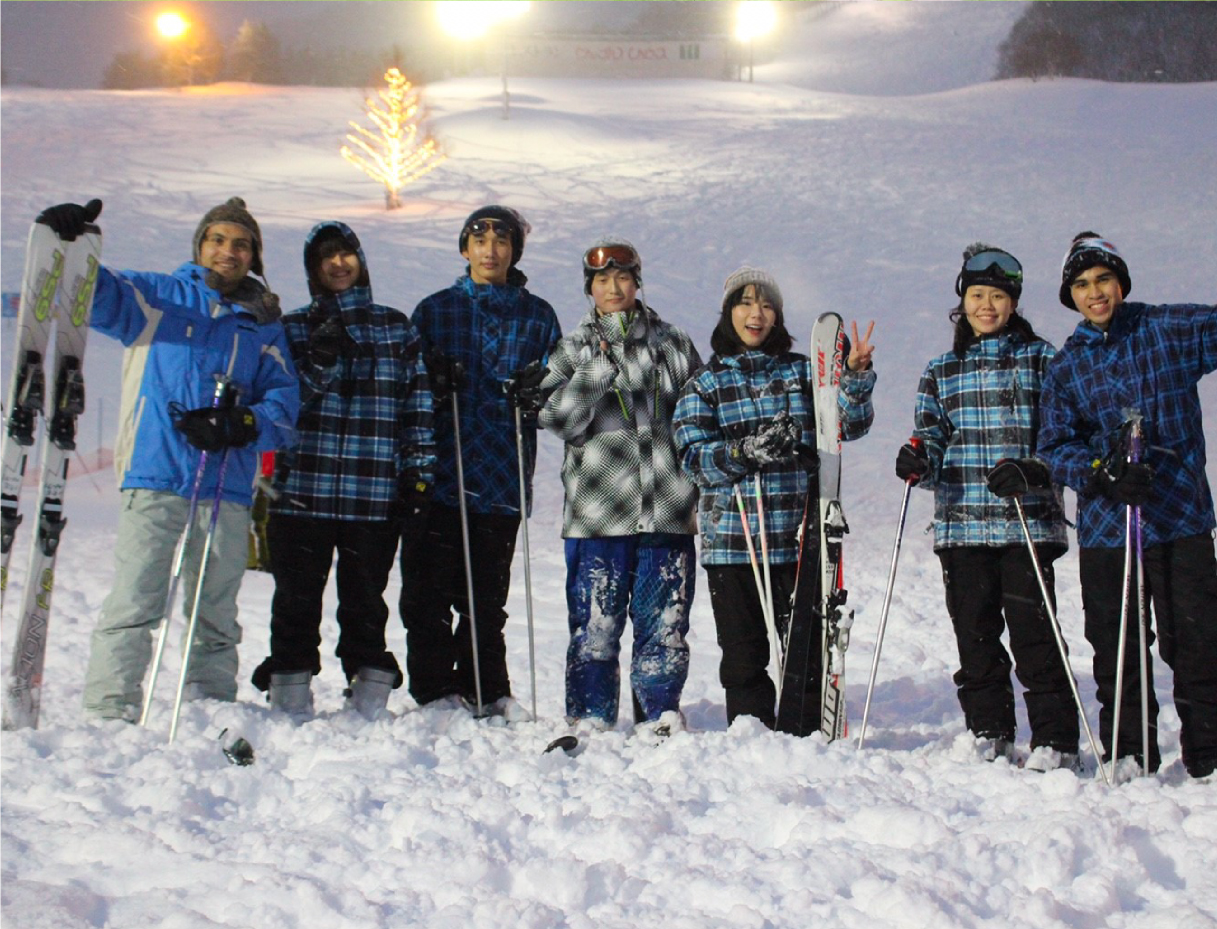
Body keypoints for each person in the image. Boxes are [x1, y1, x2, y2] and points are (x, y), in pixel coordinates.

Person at [34, 197, 300, 721]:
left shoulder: (263, 325)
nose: (229, 251)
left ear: (254, 257)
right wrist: (69, 243)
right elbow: (94, 293)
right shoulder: (158, 296)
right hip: (155, 473)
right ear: (200, 246)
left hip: (224, 482)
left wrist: (243, 424)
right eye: (218, 240)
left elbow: (283, 407)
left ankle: (207, 704)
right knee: (136, 600)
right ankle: (110, 709)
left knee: (215, 608)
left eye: (241, 244)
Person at [1036, 232, 1217, 780]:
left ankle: (1210, 751)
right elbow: (1053, 445)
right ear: (1071, 296)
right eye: (1083, 285)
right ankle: (1130, 752)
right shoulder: (1068, 366)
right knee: (1118, 645)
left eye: (1104, 280)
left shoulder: (1165, 328)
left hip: (1180, 515)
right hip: (1110, 527)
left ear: (1121, 283)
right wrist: (1101, 472)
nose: (1096, 293)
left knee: (1198, 638)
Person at [895, 243, 1079, 771]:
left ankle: (1056, 740)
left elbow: (1063, 432)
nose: (987, 306)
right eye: (978, 295)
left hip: (1025, 520)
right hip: (963, 525)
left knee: (1035, 636)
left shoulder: (1044, 359)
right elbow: (931, 439)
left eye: (998, 296)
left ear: (1014, 302)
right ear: (963, 301)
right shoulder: (942, 370)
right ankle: (989, 731)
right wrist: (917, 460)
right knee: (975, 636)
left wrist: (1034, 468)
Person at [673, 267, 876, 734]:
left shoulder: (802, 372)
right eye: (745, 303)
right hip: (733, 539)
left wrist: (855, 379)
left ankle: (805, 730)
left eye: (766, 305)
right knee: (744, 655)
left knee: (804, 650)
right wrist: (746, 451)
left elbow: (846, 426)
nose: (756, 314)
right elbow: (693, 458)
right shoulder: (705, 384)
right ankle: (751, 733)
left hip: (796, 539)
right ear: (729, 313)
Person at [250, 221, 434, 719]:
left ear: (360, 261)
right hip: (301, 492)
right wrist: (319, 362)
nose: (337, 264)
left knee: (366, 603)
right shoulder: (292, 329)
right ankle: (289, 693)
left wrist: (418, 475)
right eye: (325, 257)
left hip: (371, 494)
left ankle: (368, 693)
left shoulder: (395, 328)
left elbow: (416, 407)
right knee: (295, 600)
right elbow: (281, 402)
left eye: (345, 255)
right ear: (313, 268)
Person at [400, 206, 561, 718]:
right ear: (465, 248)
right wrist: (432, 377)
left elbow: (561, 395)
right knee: (426, 596)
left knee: (483, 602)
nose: (491, 249)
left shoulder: (537, 316)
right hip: (440, 475)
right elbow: (406, 386)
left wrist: (538, 397)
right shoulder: (435, 310)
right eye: (480, 239)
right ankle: (434, 693)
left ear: (514, 250)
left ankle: (487, 689)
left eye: (502, 240)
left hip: (500, 479)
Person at [538, 238, 702, 737]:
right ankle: (590, 714)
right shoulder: (573, 348)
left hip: (667, 509)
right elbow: (556, 417)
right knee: (595, 625)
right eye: (602, 280)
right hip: (598, 514)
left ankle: (659, 712)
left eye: (623, 278)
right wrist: (597, 371)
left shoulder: (672, 342)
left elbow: (697, 410)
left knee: (665, 624)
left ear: (637, 282)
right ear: (590, 288)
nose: (613, 287)